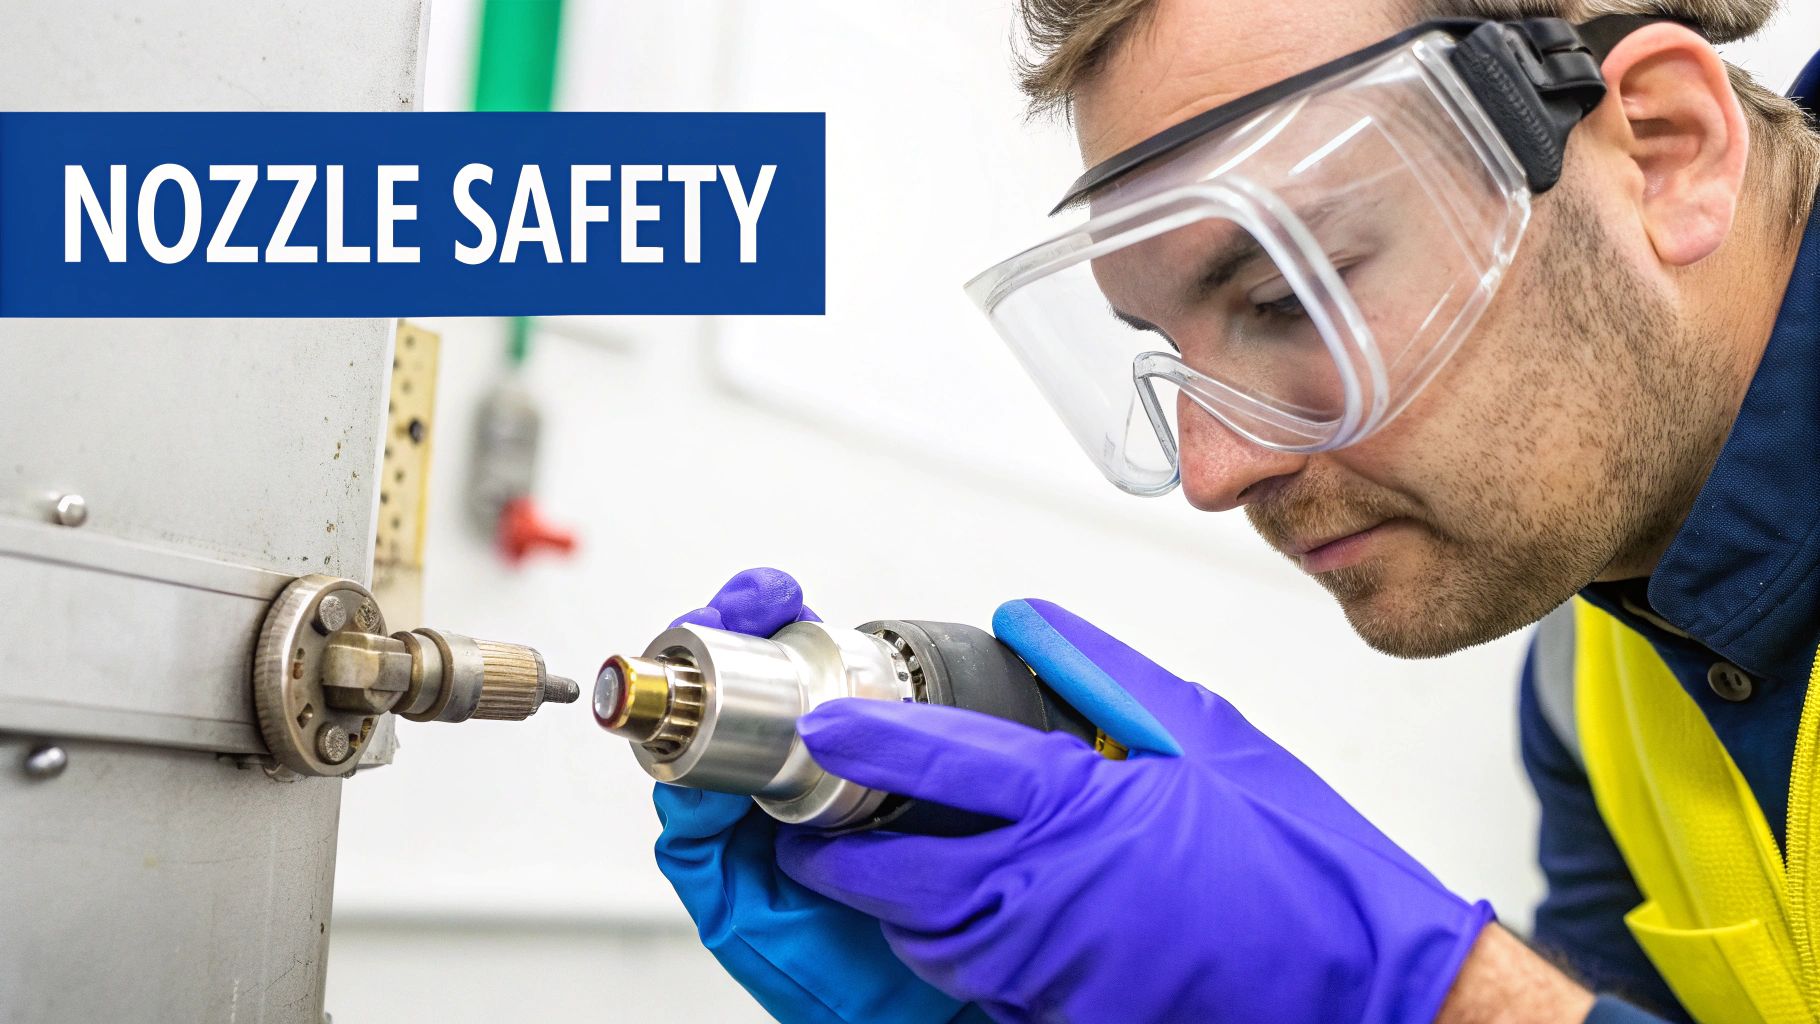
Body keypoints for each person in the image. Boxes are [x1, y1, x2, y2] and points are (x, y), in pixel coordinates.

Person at [637, 1, 1820, 1021]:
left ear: (1664, 151)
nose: (1212, 469)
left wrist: (1409, 995)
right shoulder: (1596, 670)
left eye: (1284, 296)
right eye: (1164, 349)